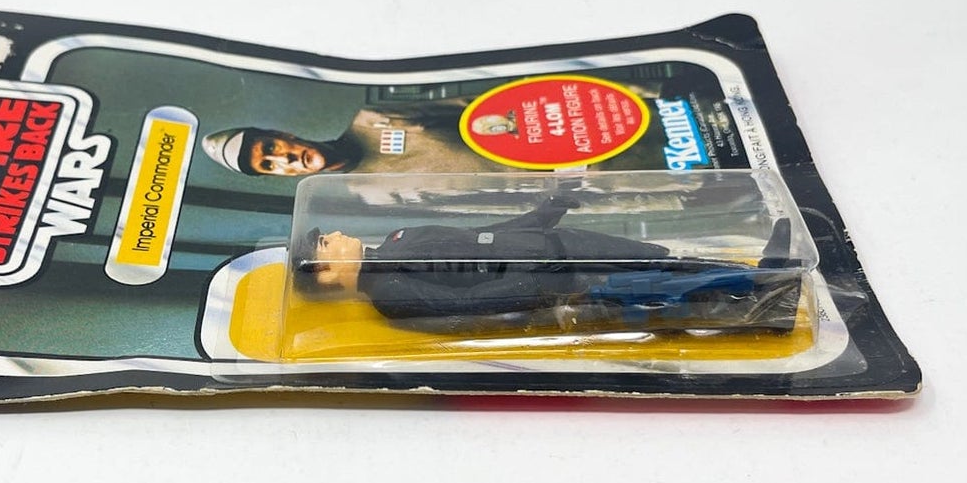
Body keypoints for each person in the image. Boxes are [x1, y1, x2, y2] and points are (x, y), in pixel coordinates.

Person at [291, 195, 801, 334]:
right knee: (658, 290)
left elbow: (485, 234)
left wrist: (542, 214)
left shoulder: (399, 237)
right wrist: (537, 288)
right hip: (562, 278)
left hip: (557, 244)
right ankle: (759, 306)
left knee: (663, 258)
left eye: (326, 234)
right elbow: (469, 305)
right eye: (325, 244)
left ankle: (760, 276)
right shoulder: (390, 294)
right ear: (327, 274)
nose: (333, 236)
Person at [202, 103, 477, 177]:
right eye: (269, 165)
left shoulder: (373, 117)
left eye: (270, 147)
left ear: (283, 135)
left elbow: (478, 104)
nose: (284, 159)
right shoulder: (367, 198)